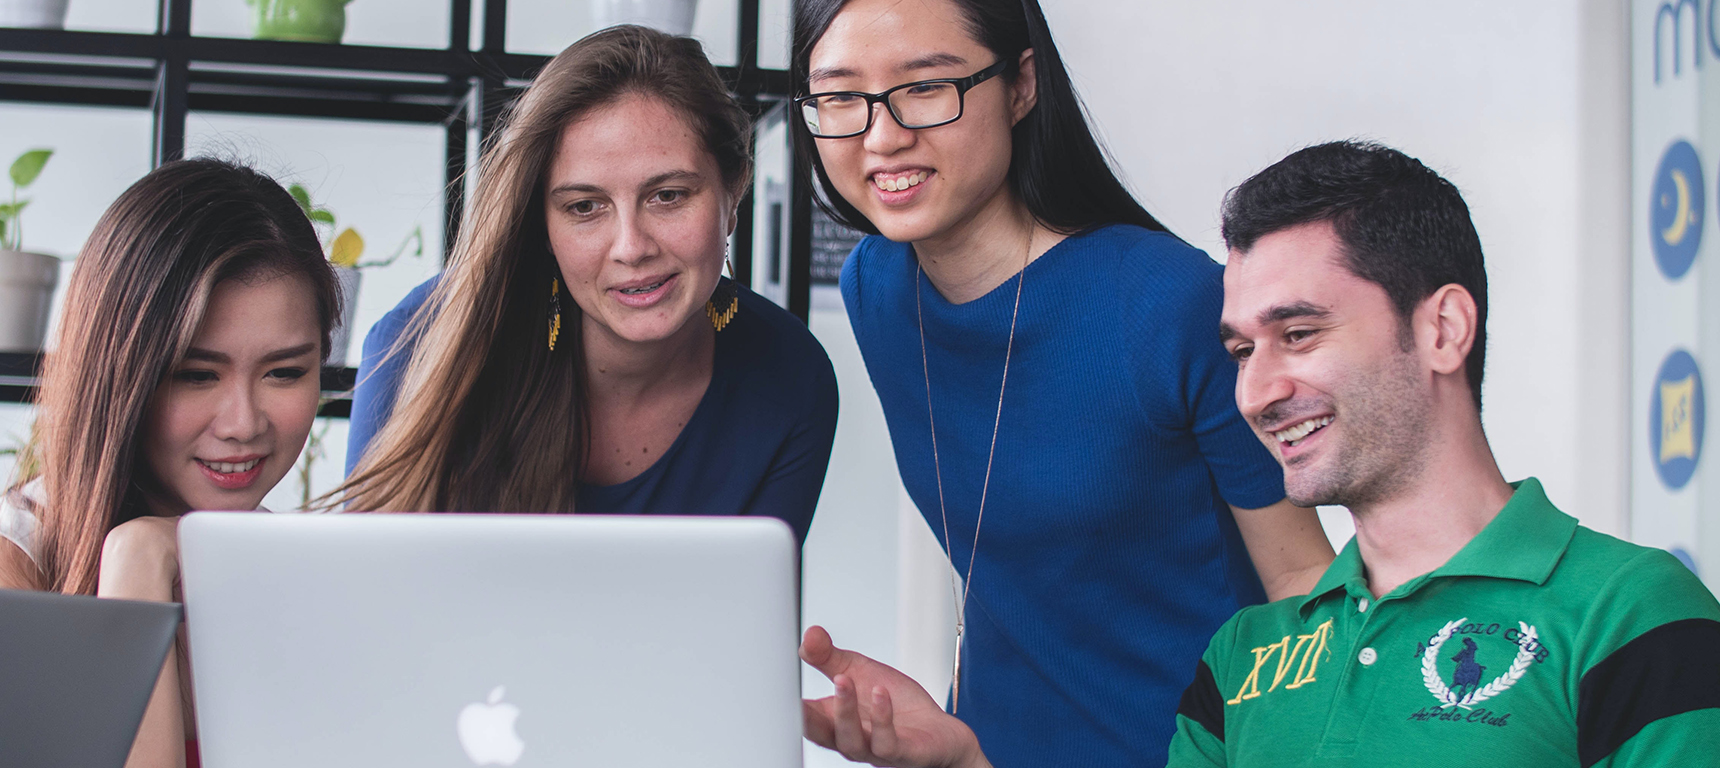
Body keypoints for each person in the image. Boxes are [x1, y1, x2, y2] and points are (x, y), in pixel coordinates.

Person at [796, 141, 1720, 768]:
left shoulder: (1630, 614)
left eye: (1301, 333)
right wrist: (968, 759)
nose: (1257, 389)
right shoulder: (1243, 660)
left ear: (1443, 328)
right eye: (1241, 349)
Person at [790, 0, 1335, 762]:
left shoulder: (1168, 303)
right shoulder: (877, 289)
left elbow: (1305, 585)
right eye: (841, 96)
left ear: (1021, 83)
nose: (883, 135)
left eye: (926, 86)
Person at [337, 25, 838, 541]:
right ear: (543, 227)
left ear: (733, 192)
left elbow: (748, 613)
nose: (631, 246)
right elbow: (371, 601)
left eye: (667, 195)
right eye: (584, 207)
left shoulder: (791, 378)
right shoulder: (421, 343)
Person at [0, 158, 341, 768]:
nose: (243, 423)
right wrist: (137, 563)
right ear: (119, 376)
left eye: (285, 372)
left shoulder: (298, 576)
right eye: (196, 375)